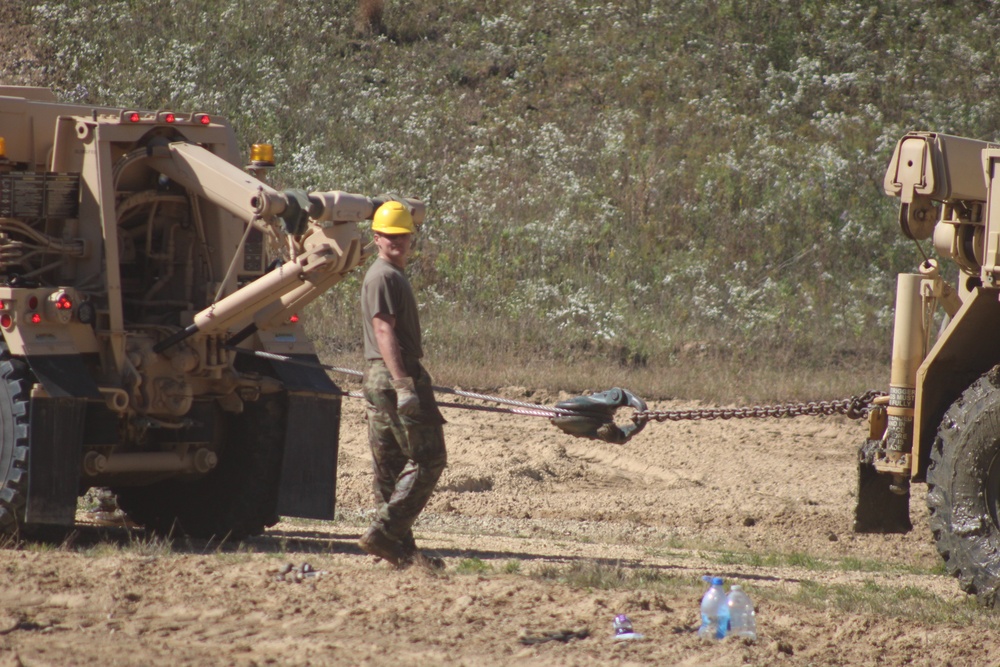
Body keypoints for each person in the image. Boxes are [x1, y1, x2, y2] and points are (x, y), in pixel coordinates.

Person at [358, 200, 447, 569]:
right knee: (429, 459)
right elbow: (383, 329)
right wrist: (404, 384)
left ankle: (402, 555)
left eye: (403, 236)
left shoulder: (389, 274)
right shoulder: (384, 276)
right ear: (376, 237)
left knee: (390, 469)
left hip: (380, 376)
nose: (397, 241)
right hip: (394, 374)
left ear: (411, 238)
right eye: (389, 236)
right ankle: (384, 533)